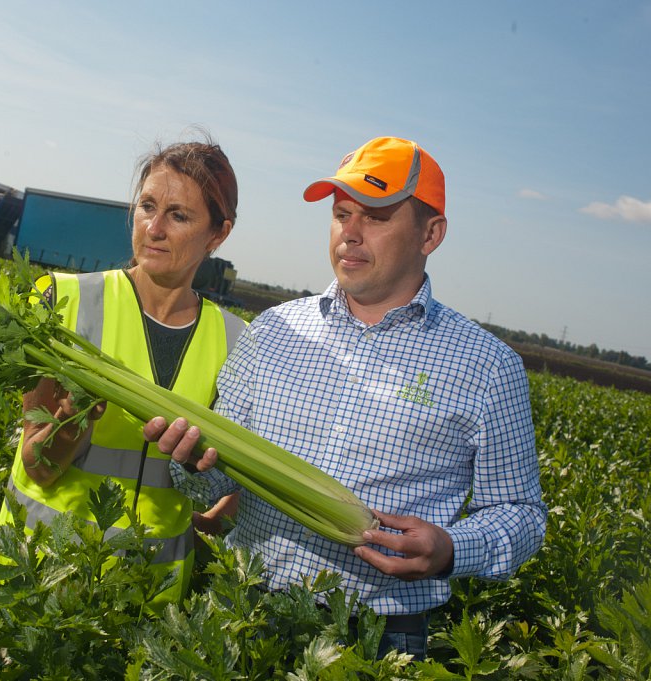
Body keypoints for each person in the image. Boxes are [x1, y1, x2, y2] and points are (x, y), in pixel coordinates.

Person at [143, 136, 547, 658]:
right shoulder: (272, 331)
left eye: (375, 218)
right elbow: (214, 482)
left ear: (431, 233)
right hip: (241, 611)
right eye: (340, 214)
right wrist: (192, 465)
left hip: (378, 639)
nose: (349, 234)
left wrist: (449, 549)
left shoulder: (487, 366)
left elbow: (520, 513)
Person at [0, 136, 246, 607]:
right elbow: (36, 466)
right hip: (40, 581)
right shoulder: (61, 300)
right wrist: (70, 423)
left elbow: (245, 472)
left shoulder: (235, 341)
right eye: (147, 206)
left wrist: (214, 518)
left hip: (149, 601)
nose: (155, 227)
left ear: (218, 234)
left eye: (179, 215)